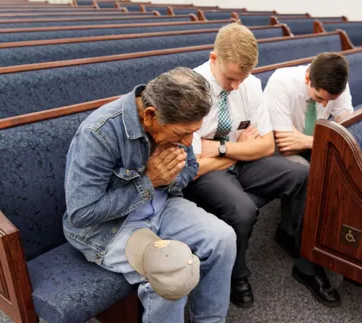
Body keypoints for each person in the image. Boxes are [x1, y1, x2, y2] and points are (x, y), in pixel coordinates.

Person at [183, 24, 341, 309]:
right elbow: (193, 167)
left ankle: (301, 252)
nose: (235, 87)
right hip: (208, 173)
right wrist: (240, 150)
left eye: (241, 79)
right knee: (244, 210)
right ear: (213, 58)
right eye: (231, 78)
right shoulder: (191, 89)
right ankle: (236, 274)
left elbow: (267, 146)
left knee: (302, 174)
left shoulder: (250, 84)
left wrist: (222, 149)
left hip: (231, 159)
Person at [63, 67, 237, 323]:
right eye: (182, 134)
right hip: (110, 228)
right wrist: (149, 181)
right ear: (150, 115)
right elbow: (82, 213)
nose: (189, 143)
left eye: (193, 132)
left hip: (161, 206)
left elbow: (190, 167)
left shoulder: (176, 121)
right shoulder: (98, 134)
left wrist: (169, 178)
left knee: (223, 239)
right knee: (171, 274)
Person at [264, 52, 354, 166]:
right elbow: (285, 145)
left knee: (344, 164)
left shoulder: (340, 85)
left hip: (313, 145)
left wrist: (307, 142)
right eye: (320, 97)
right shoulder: (281, 82)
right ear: (307, 78)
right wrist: (325, 140)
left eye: (331, 100)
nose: (325, 104)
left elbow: (347, 129)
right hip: (278, 150)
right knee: (308, 169)